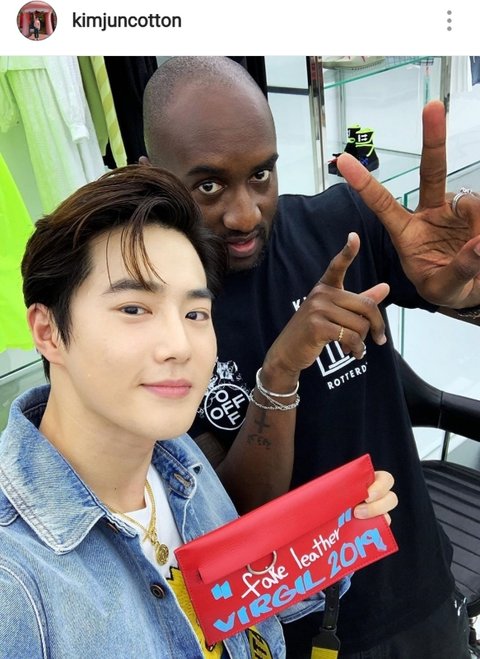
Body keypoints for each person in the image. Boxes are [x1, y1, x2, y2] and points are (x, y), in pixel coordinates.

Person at [141, 56, 477, 658]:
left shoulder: (340, 229)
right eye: (209, 186)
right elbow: (229, 517)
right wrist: (278, 374)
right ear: (152, 175)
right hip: (287, 632)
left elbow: (448, 287)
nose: (245, 214)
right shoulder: (150, 321)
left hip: (419, 593)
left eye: (261, 175)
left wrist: (468, 296)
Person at [0, 165, 395, 658]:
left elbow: (233, 604)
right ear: (48, 331)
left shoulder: (176, 458)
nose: (180, 345)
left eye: (195, 314)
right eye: (134, 309)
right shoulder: (14, 583)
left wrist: (332, 537)